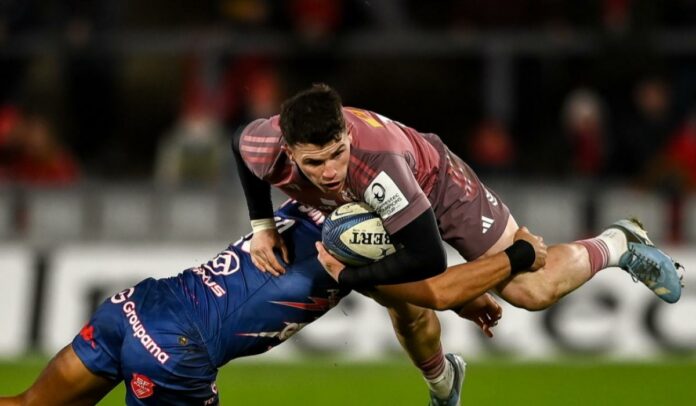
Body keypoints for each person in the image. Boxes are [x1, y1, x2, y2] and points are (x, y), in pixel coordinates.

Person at [232, 83, 684, 405]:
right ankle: (443, 384)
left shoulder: (377, 165)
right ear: (288, 150)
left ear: (347, 135)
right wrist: (262, 226)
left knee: (530, 290)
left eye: (337, 153)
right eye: (316, 162)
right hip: (366, 207)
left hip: (437, 186)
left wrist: (351, 277)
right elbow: (239, 146)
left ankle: (617, 242)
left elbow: (426, 256)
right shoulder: (262, 144)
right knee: (405, 311)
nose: (330, 170)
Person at [0, 200, 549, 405]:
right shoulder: (355, 268)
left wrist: (462, 301)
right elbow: (434, 293)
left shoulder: (299, 208)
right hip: (176, 354)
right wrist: (519, 254)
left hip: (133, 306)